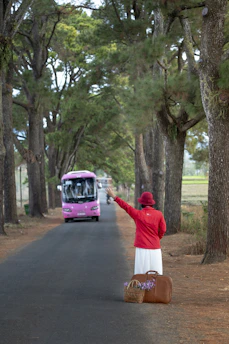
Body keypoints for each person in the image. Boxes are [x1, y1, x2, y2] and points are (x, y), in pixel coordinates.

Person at [106, 188, 166, 275]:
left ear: (142, 203)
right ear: (152, 203)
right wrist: (157, 238)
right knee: (156, 273)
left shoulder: (138, 214)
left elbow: (126, 206)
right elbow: (163, 229)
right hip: (155, 247)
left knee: (141, 273)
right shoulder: (159, 214)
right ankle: (155, 288)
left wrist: (114, 197)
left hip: (142, 247)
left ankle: (142, 288)